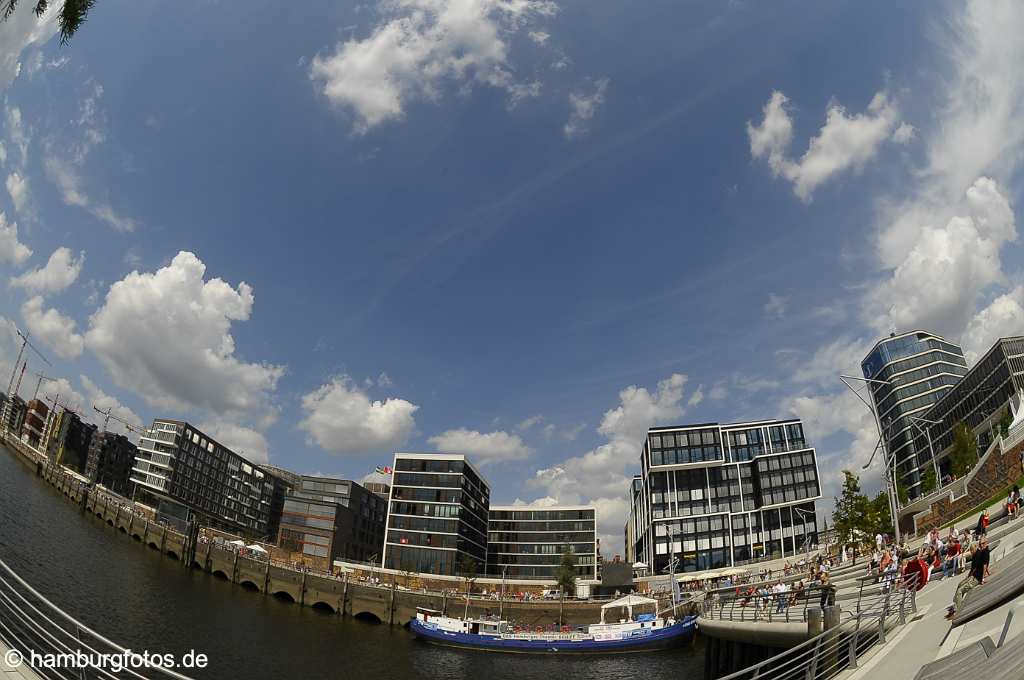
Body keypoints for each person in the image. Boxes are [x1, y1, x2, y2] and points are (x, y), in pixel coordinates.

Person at [946, 536, 991, 620]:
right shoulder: (981, 552)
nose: (981, 545)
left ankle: (958, 611)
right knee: (960, 585)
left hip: (976, 579)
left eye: (982, 544)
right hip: (974, 577)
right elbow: (983, 565)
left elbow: (984, 566)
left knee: (960, 590)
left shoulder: (983, 553)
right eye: (980, 544)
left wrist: (982, 579)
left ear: (986, 543)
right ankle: (956, 605)